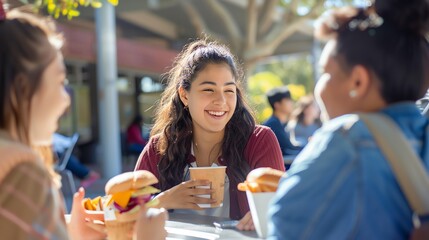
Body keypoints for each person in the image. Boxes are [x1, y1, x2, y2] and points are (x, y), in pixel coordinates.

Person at [0, 5, 167, 240]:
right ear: (23, 88)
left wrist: (65, 229)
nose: (67, 99)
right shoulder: (23, 172)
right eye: (60, 82)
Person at [268, 0, 429, 239]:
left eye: (326, 73)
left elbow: (284, 229)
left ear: (357, 82)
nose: (318, 87)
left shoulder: (346, 142)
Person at [134, 39, 285, 230]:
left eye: (229, 90)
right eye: (208, 89)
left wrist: (265, 215)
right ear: (185, 95)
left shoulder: (259, 140)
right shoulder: (158, 148)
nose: (221, 101)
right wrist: (163, 200)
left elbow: (284, 207)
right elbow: (122, 211)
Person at [263, 86, 302, 156]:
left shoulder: (281, 123)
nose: (291, 103)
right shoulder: (273, 124)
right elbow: (288, 148)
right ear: (277, 105)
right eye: (287, 100)